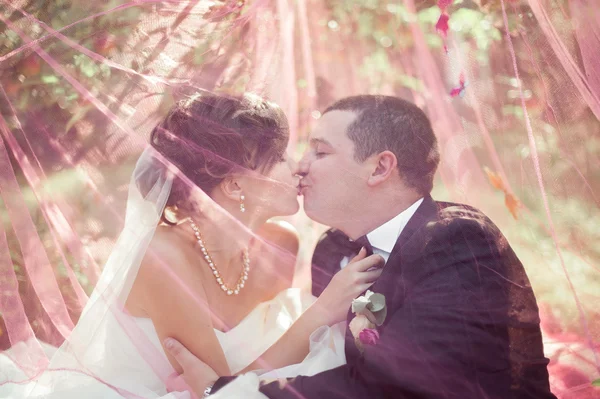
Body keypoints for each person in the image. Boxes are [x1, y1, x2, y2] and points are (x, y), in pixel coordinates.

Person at [165, 95, 557, 399]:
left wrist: (226, 392)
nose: (300, 167)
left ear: (380, 168)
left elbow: (390, 388)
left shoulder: (457, 240)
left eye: (320, 151)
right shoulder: (332, 249)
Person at [0, 92, 383, 399]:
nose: (298, 166)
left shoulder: (282, 243)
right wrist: (323, 311)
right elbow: (221, 389)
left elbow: (257, 378)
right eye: (280, 158)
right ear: (235, 185)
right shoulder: (164, 258)